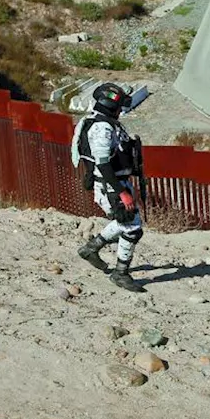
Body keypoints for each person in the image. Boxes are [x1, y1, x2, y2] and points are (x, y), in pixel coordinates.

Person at [71, 82, 147, 293]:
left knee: (124, 222)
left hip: (115, 183)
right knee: (132, 229)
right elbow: (103, 164)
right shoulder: (102, 128)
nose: (121, 110)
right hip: (110, 186)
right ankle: (120, 273)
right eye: (119, 106)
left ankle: (91, 249)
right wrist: (122, 193)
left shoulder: (102, 122)